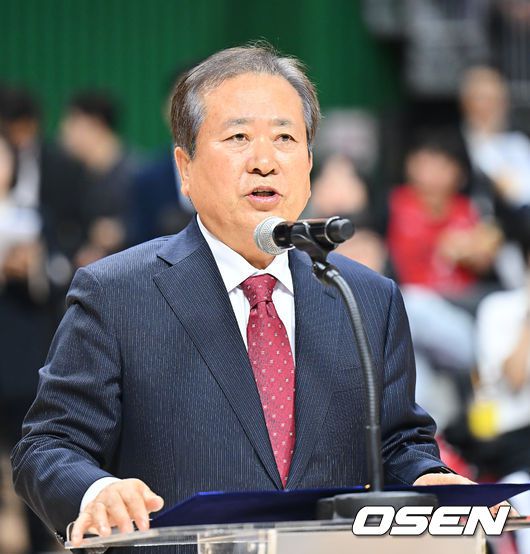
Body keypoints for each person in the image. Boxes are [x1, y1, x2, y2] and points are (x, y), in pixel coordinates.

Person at [12, 44, 471, 551]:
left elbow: (398, 444)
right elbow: (49, 447)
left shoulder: (365, 297)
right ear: (185, 168)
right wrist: (96, 491)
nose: (265, 162)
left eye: (285, 138)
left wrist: (429, 479)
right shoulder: (116, 293)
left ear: (309, 162)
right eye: (238, 138)